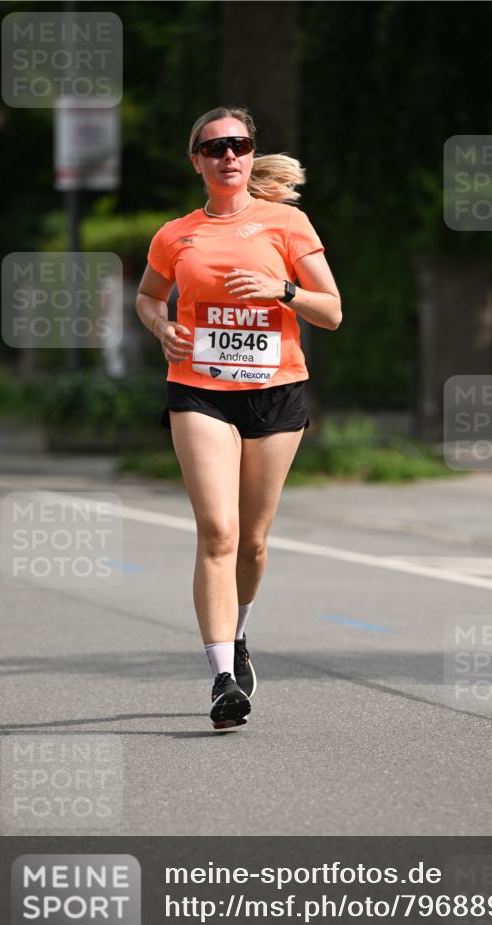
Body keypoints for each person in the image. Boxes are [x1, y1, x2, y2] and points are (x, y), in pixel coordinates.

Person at [136, 106, 342, 730]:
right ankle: (223, 676)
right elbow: (148, 296)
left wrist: (282, 292)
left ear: (252, 155)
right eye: (215, 146)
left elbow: (331, 311)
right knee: (218, 531)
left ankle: (240, 633)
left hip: (276, 393)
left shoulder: (286, 223)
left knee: (252, 539)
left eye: (240, 144)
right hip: (198, 391)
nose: (229, 155)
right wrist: (162, 326)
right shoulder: (177, 234)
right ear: (196, 160)